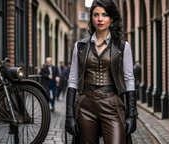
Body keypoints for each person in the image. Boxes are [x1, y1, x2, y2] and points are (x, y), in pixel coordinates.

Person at [65, 0, 137, 143]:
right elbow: (72, 80)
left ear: (111, 18)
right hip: (85, 106)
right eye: (96, 14)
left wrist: (132, 115)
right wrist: (70, 116)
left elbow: (129, 80)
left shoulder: (123, 46)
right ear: (91, 17)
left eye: (104, 15)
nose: (99, 19)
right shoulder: (79, 46)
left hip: (112, 105)